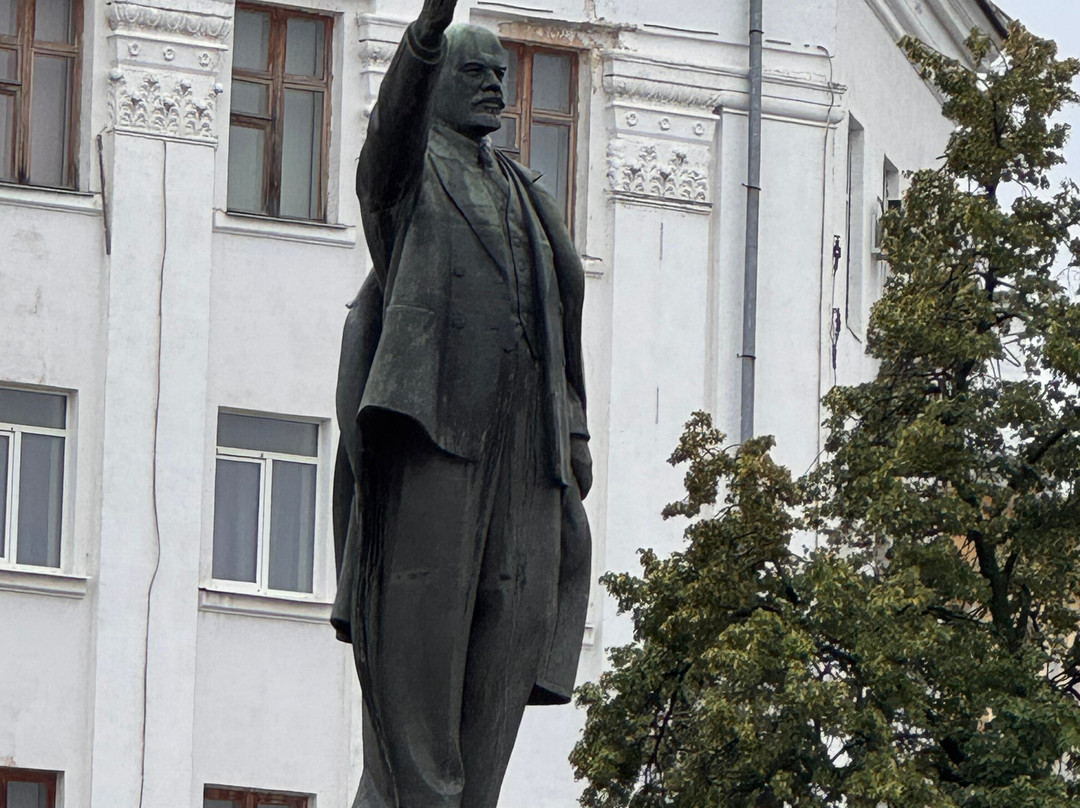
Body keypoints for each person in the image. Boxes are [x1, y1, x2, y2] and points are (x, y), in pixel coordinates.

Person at [329, 0, 592, 805]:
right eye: (474, 74)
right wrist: (427, 29)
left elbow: (558, 316)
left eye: (499, 78)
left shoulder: (522, 191)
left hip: (526, 445)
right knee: (420, 654)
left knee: (507, 642)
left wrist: (573, 429)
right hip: (436, 440)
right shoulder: (409, 179)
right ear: (437, 80)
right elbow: (384, 141)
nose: (494, 89)